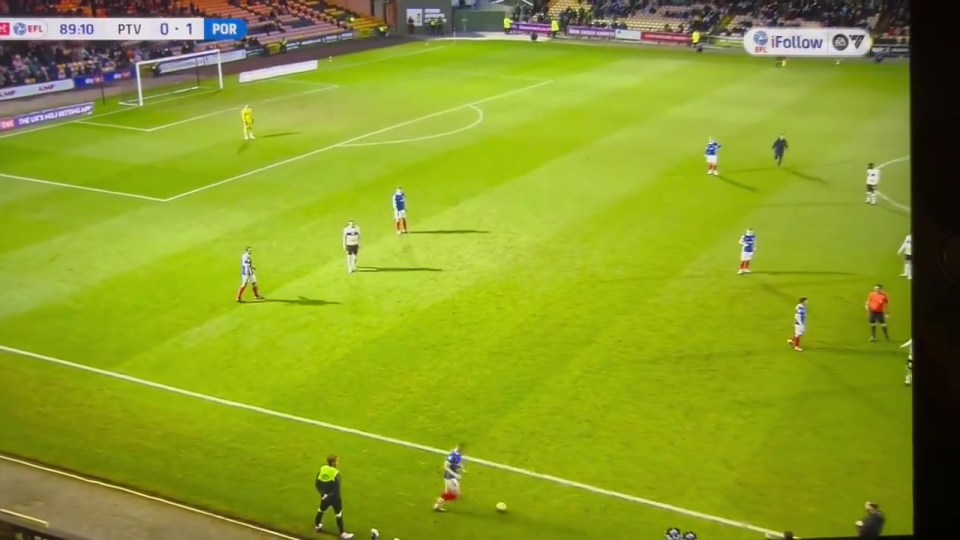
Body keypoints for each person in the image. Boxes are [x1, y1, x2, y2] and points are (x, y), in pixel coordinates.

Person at [314, 455, 355, 539]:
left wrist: (323, 494)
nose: (338, 462)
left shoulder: (322, 469)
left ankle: (317, 526)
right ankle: (343, 533)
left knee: (321, 510)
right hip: (334, 499)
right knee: (338, 514)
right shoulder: (336, 473)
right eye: (337, 461)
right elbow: (336, 489)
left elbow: (317, 484)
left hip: (324, 497)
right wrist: (329, 496)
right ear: (333, 463)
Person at [433, 443, 466, 512]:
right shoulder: (453, 456)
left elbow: (457, 464)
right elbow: (446, 466)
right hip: (450, 477)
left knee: (447, 493)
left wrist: (462, 469)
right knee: (455, 495)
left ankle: (437, 506)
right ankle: (438, 504)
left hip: (451, 477)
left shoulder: (458, 455)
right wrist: (455, 474)